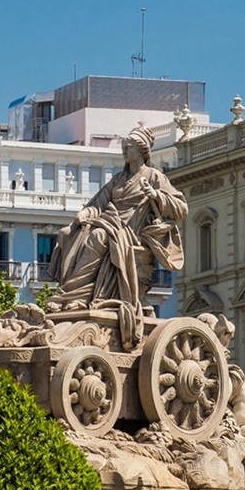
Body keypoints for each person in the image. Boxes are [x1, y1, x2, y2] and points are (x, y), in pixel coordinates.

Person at [47, 124, 187, 348]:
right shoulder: (118, 179)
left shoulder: (154, 177)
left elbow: (181, 208)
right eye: (124, 146)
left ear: (141, 150)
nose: (124, 150)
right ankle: (72, 296)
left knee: (98, 237)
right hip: (111, 222)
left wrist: (157, 196)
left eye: (128, 146)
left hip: (132, 233)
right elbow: (99, 203)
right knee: (67, 234)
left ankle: (73, 296)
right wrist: (85, 213)